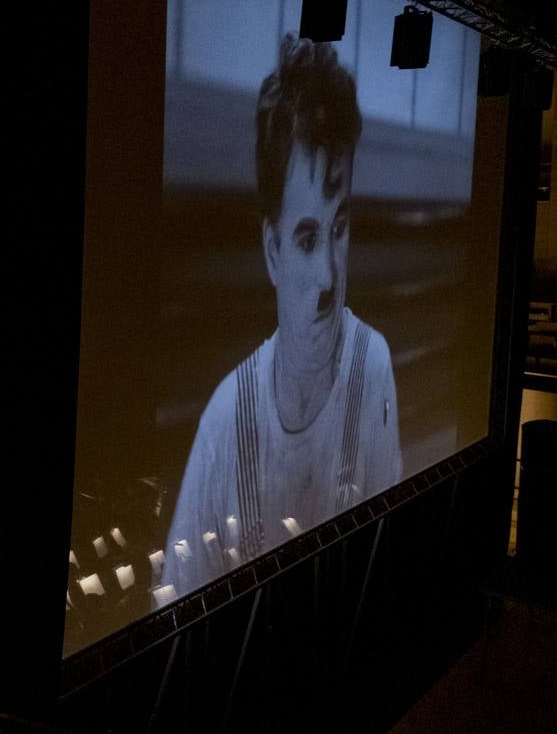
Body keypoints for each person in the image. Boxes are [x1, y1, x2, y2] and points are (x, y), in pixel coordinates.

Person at [163, 35, 402, 601]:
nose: (327, 277)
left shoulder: (373, 366)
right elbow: (174, 599)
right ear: (271, 250)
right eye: (306, 237)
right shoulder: (225, 423)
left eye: (339, 227)